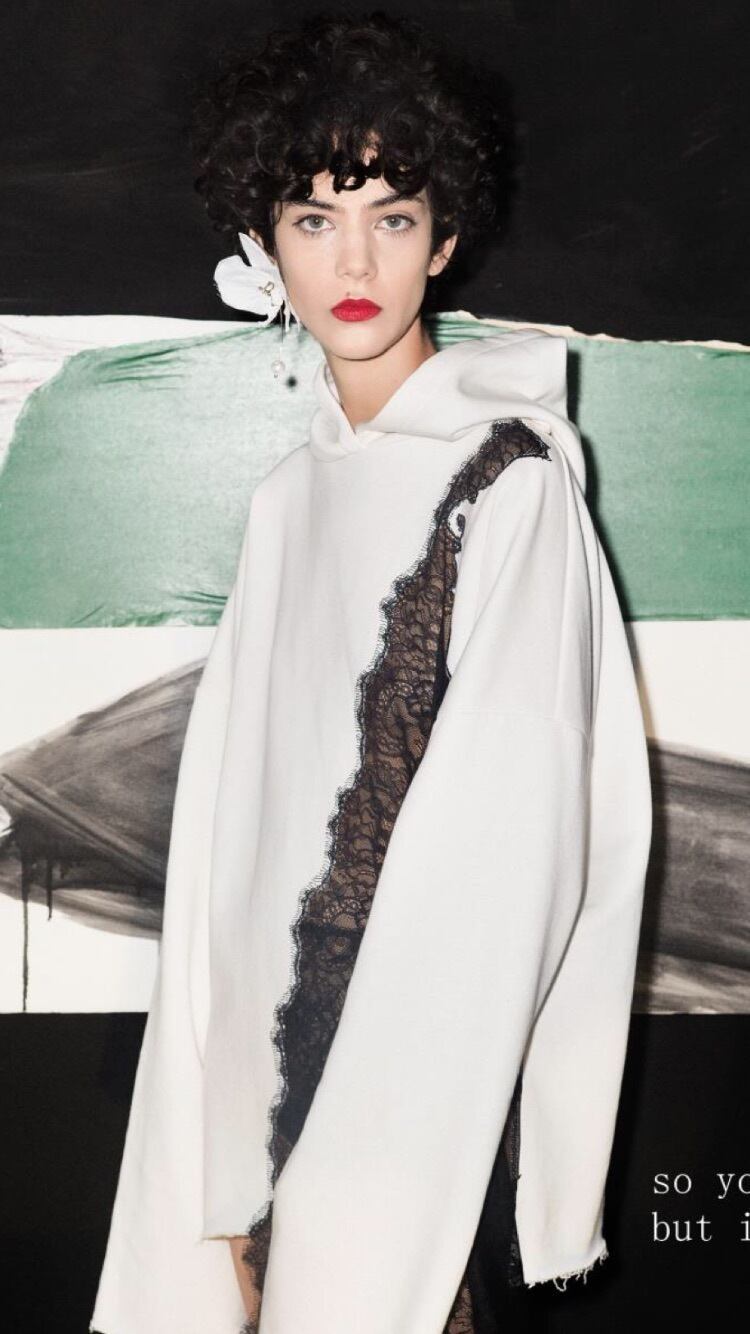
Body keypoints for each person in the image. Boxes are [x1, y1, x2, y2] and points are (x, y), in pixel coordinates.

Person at [89, 10, 652, 1334]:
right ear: (265, 240)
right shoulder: (289, 499)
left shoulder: (508, 483)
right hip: (267, 1097)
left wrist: (345, 1184)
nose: (354, 261)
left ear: (443, 239)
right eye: (314, 218)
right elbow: (232, 858)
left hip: (418, 1104)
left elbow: (509, 866)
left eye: (392, 218)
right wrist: (229, 1169)